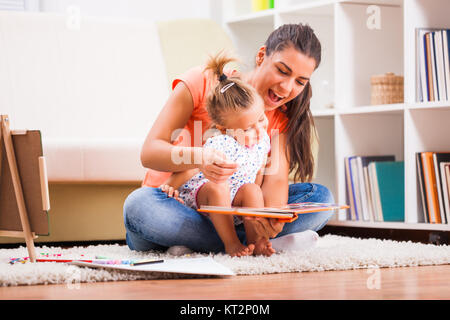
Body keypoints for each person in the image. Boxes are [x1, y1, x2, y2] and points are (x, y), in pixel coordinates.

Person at [123, 23, 334, 255]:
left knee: (321, 200)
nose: (287, 87)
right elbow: (150, 152)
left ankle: (210, 244)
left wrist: (272, 219)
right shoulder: (202, 81)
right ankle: (238, 243)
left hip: (236, 211)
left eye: (300, 82)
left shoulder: (281, 117)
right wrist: (201, 158)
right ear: (262, 56)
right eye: (283, 71)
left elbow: (274, 182)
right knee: (139, 206)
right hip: (175, 204)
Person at [159, 52, 274, 257]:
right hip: (205, 198)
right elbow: (193, 166)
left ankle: (257, 241)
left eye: (262, 118)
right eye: (248, 128)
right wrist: (171, 186)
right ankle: (231, 243)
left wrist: (256, 201)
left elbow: (257, 174)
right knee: (219, 187)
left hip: (235, 202)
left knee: (253, 190)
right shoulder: (222, 143)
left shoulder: (263, 140)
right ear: (224, 129)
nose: (259, 130)